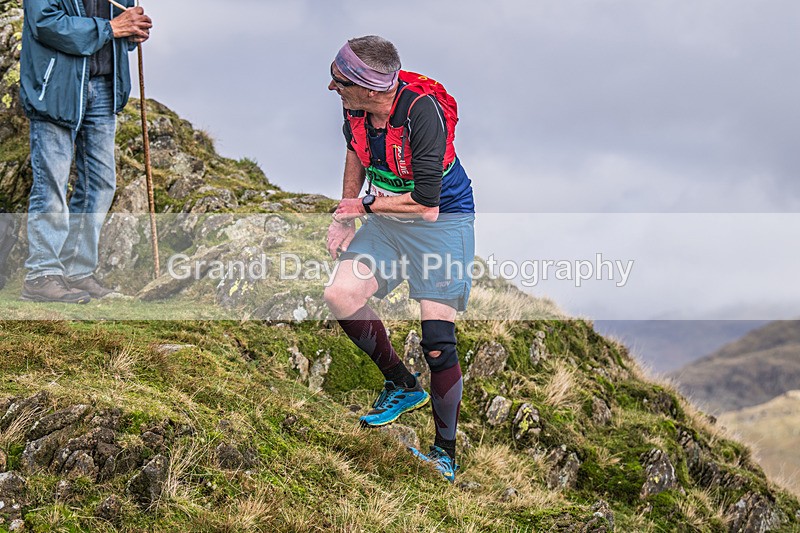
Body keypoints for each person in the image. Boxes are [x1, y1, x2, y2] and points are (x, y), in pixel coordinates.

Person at [324, 36, 475, 482]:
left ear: (370, 89)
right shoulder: (355, 106)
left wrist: (363, 208)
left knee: (436, 341)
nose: (331, 87)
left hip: (441, 223)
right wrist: (345, 214)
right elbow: (355, 149)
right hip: (388, 218)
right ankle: (402, 385)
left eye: (338, 80)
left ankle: (444, 454)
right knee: (341, 294)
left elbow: (427, 204)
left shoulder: (421, 113)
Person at [18, 0, 152, 303]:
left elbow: (117, 28)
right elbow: (45, 23)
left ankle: (76, 271)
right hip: (55, 88)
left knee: (101, 183)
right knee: (51, 182)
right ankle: (41, 275)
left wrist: (131, 31)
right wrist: (111, 28)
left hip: (104, 85)